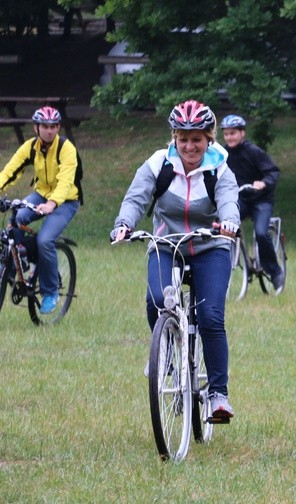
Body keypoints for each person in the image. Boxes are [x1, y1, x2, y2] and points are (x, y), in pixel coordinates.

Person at [110, 100, 240, 421]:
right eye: (183, 138)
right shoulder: (159, 164)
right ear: (174, 137)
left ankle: (218, 396)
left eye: (197, 139)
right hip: (166, 243)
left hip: (211, 247)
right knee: (157, 298)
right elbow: (137, 196)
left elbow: (229, 200)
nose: (189, 145)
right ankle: (165, 354)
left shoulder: (219, 168)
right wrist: (124, 224)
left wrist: (229, 222)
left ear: (209, 138)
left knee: (210, 316)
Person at [0, 106, 82, 314]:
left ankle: (50, 291)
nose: (49, 131)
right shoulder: (30, 147)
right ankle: (22, 258)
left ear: (58, 128)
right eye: (45, 126)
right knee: (15, 220)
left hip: (66, 202)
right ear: (36, 128)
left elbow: (65, 182)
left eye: (53, 126)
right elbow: (10, 171)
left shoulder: (66, 148)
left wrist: (52, 203)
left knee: (45, 240)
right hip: (41, 194)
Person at [219, 114, 284, 294]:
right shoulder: (223, 155)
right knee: (225, 226)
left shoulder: (254, 152)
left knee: (262, 233)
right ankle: (231, 262)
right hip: (240, 198)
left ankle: (275, 271)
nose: (229, 137)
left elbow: (273, 171)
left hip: (260, 200)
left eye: (233, 133)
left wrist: (263, 183)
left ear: (242, 133)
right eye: (226, 134)